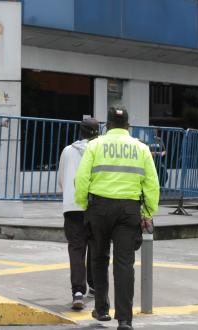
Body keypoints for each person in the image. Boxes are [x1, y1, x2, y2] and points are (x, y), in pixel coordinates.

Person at [74, 105, 160, 330]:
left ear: (107, 125)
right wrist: (148, 212)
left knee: (99, 259)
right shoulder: (141, 149)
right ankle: (124, 319)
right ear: (128, 126)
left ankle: (101, 309)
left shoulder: (95, 145)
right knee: (124, 264)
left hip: (99, 208)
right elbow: (152, 184)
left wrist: (84, 205)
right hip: (129, 211)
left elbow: (82, 179)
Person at [57, 118, 110, 315]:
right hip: (94, 206)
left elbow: (61, 180)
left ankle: (78, 292)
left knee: (77, 248)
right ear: (97, 133)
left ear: (80, 132)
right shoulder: (99, 151)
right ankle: (94, 285)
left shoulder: (67, 151)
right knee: (96, 246)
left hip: (72, 206)